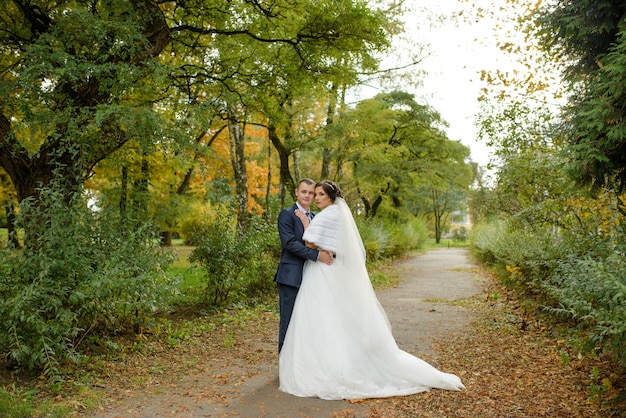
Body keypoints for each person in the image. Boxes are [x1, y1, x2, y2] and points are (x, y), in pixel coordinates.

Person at [279, 180, 465, 400]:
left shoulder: (325, 215)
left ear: (330, 197)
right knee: (330, 319)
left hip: (321, 271)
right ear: (297, 193)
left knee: (319, 319)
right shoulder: (335, 214)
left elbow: (309, 243)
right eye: (312, 193)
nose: (315, 197)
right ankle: (323, 362)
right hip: (325, 270)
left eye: (319, 194)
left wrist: (308, 229)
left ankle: (318, 366)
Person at [275, 178, 335, 353]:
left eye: (311, 193)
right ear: (296, 192)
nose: (308, 196)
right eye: (304, 192)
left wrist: (331, 252)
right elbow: (290, 244)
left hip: (313, 278)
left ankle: (301, 363)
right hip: (291, 276)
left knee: (306, 323)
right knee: (289, 321)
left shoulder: (316, 217)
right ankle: (284, 364)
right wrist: (317, 255)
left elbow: (323, 242)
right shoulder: (287, 215)